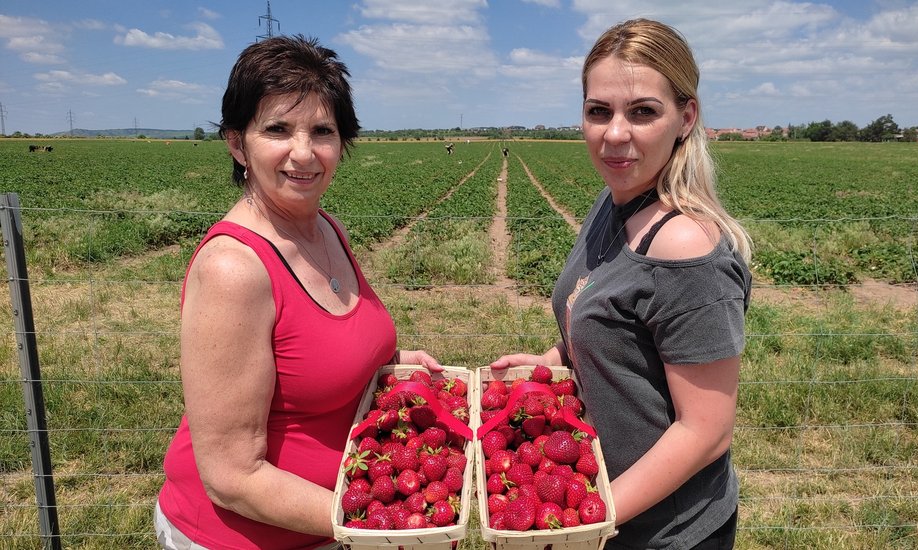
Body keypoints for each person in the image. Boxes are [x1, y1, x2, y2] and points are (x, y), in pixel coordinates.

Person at [155, 35, 440, 549]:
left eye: (322, 131)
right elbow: (232, 478)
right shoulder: (234, 270)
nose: (304, 153)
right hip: (243, 538)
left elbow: (317, 355)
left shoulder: (328, 229)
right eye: (278, 129)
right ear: (238, 143)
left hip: (333, 520)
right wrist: (380, 523)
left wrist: (388, 364)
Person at [491, 19, 752, 550]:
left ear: (686, 116)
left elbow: (706, 432)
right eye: (598, 111)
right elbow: (613, 333)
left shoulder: (685, 249)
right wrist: (552, 361)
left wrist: (591, 518)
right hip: (606, 508)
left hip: (664, 531)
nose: (614, 133)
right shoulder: (613, 205)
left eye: (642, 112)